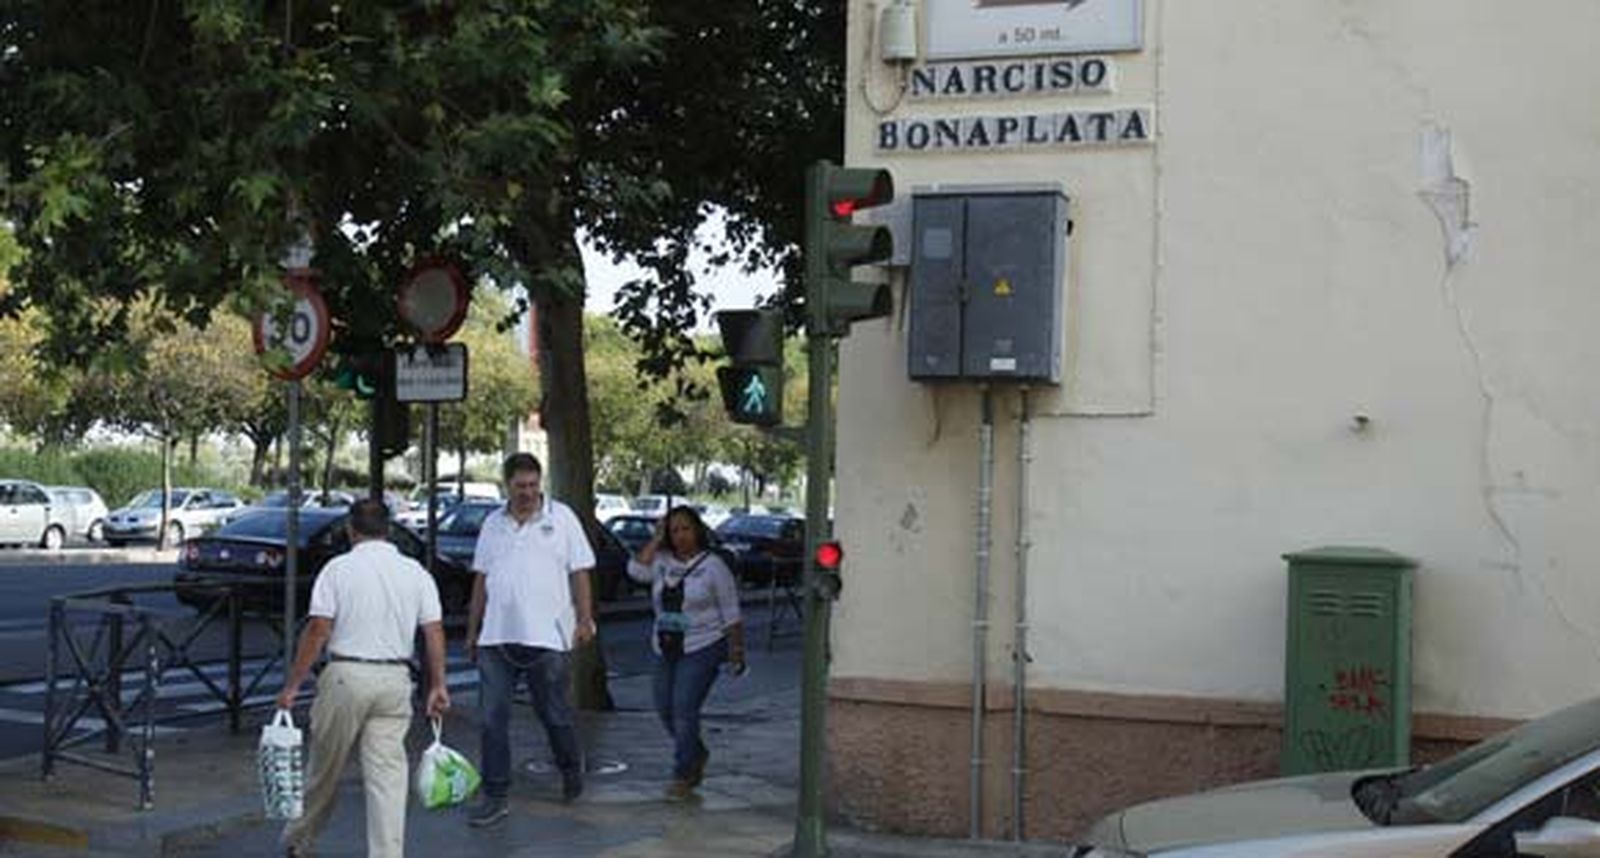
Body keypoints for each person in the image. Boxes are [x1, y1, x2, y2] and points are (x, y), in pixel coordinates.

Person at [275, 498, 450, 858]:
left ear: (350, 529)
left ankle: (299, 840)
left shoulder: (337, 569)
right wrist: (439, 684)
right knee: (388, 778)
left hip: (345, 676)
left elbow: (318, 629)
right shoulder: (416, 572)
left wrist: (293, 684)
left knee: (324, 769)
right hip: (395, 679)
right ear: (389, 529)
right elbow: (434, 631)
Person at [466, 453, 597, 826]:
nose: (527, 493)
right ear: (506, 485)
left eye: (532, 485)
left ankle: (571, 766)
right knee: (492, 718)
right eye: (520, 486)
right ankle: (495, 793)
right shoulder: (493, 523)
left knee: (553, 713)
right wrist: (473, 631)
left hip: (547, 637)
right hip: (497, 637)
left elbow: (580, 572)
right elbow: (480, 579)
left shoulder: (563, 518)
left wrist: (585, 619)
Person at [627, 504, 745, 800]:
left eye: (685, 529)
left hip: (703, 644)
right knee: (664, 707)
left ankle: (684, 773)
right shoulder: (662, 561)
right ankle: (695, 751)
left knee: (683, 708)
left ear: (698, 530)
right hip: (666, 644)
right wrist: (655, 539)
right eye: (674, 530)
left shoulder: (714, 566)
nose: (680, 536)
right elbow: (635, 570)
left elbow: (731, 612)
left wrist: (736, 650)